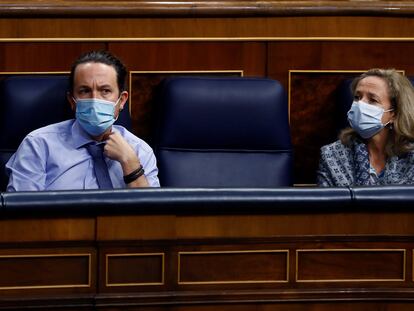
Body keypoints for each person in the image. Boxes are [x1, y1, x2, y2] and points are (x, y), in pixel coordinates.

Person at [6, 50, 159, 191]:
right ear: (72, 101)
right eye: (85, 91)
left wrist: (131, 164)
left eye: (105, 91)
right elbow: (21, 217)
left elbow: (152, 218)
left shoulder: (140, 151)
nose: (94, 100)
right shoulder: (39, 145)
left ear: (122, 100)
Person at [317, 68, 414, 186]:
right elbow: (327, 203)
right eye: (357, 97)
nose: (360, 105)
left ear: (394, 113)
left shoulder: (411, 156)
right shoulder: (331, 155)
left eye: (372, 100)